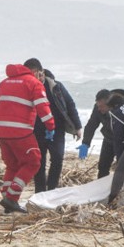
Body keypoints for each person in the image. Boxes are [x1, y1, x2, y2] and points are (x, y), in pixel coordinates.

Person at [0, 61, 55, 214]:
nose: (41, 77)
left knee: (12, 165)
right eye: (40, 73)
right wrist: (51, 127)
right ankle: (12, 198)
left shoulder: (4, 83)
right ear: (36, 71)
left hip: (1, 132)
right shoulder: (34, 83)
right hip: (20, 132)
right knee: (33, 162)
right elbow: (43, 107)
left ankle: (6, 196)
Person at [30, 63, 83, 193]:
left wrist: (78, 126)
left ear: (42, 72)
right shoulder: (28, 87)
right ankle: (40, 192)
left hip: (57, 129)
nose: (38, 77)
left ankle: (52, 190)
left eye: (38, 74)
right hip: (36, 130)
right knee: (39, 162)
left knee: (58, 158)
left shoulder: (56, 86)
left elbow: (70, 104)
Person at [78, 89, 116, 178]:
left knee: (123, 166)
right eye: (98, 105)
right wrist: (85, 143)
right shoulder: (98, 108)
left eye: (101, 106)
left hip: (122, 141)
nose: (99, 109)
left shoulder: (120, 108)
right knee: (102, 166)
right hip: (108, 139)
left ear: (109, 104)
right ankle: (101, 189)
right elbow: (91, 125)